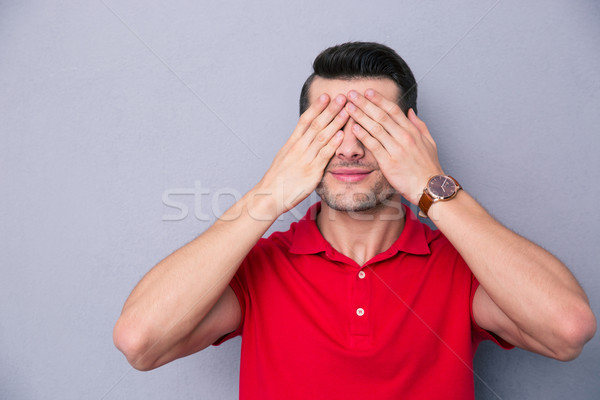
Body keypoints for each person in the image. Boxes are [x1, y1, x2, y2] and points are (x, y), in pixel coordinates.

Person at [113, 42, 596, 399]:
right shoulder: (262, 266)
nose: (348, 148)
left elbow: (568, 329)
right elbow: (140, 342)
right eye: (328, 130)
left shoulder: (462, 264)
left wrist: (432, 185)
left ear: (410, 136)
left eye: (371, 128)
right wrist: (270, 194)